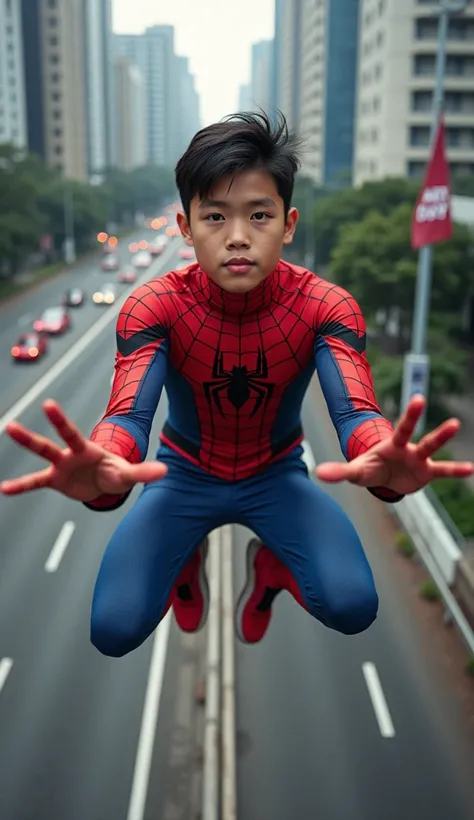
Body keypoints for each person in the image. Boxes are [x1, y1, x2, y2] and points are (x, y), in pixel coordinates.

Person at [1, 112, 472, 656]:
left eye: (260, 215)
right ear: (186, 227)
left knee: (352, 605)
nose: (239, 238)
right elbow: (129, 416)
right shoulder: (155, 306)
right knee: (113, 629)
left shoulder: (326, 306)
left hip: (275, 472)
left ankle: (270, 568)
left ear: (289, 224)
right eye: (216, 216)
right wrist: (107, 464)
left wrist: (383, 459)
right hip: (182, 473)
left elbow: (355, 414)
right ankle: (185, 561)